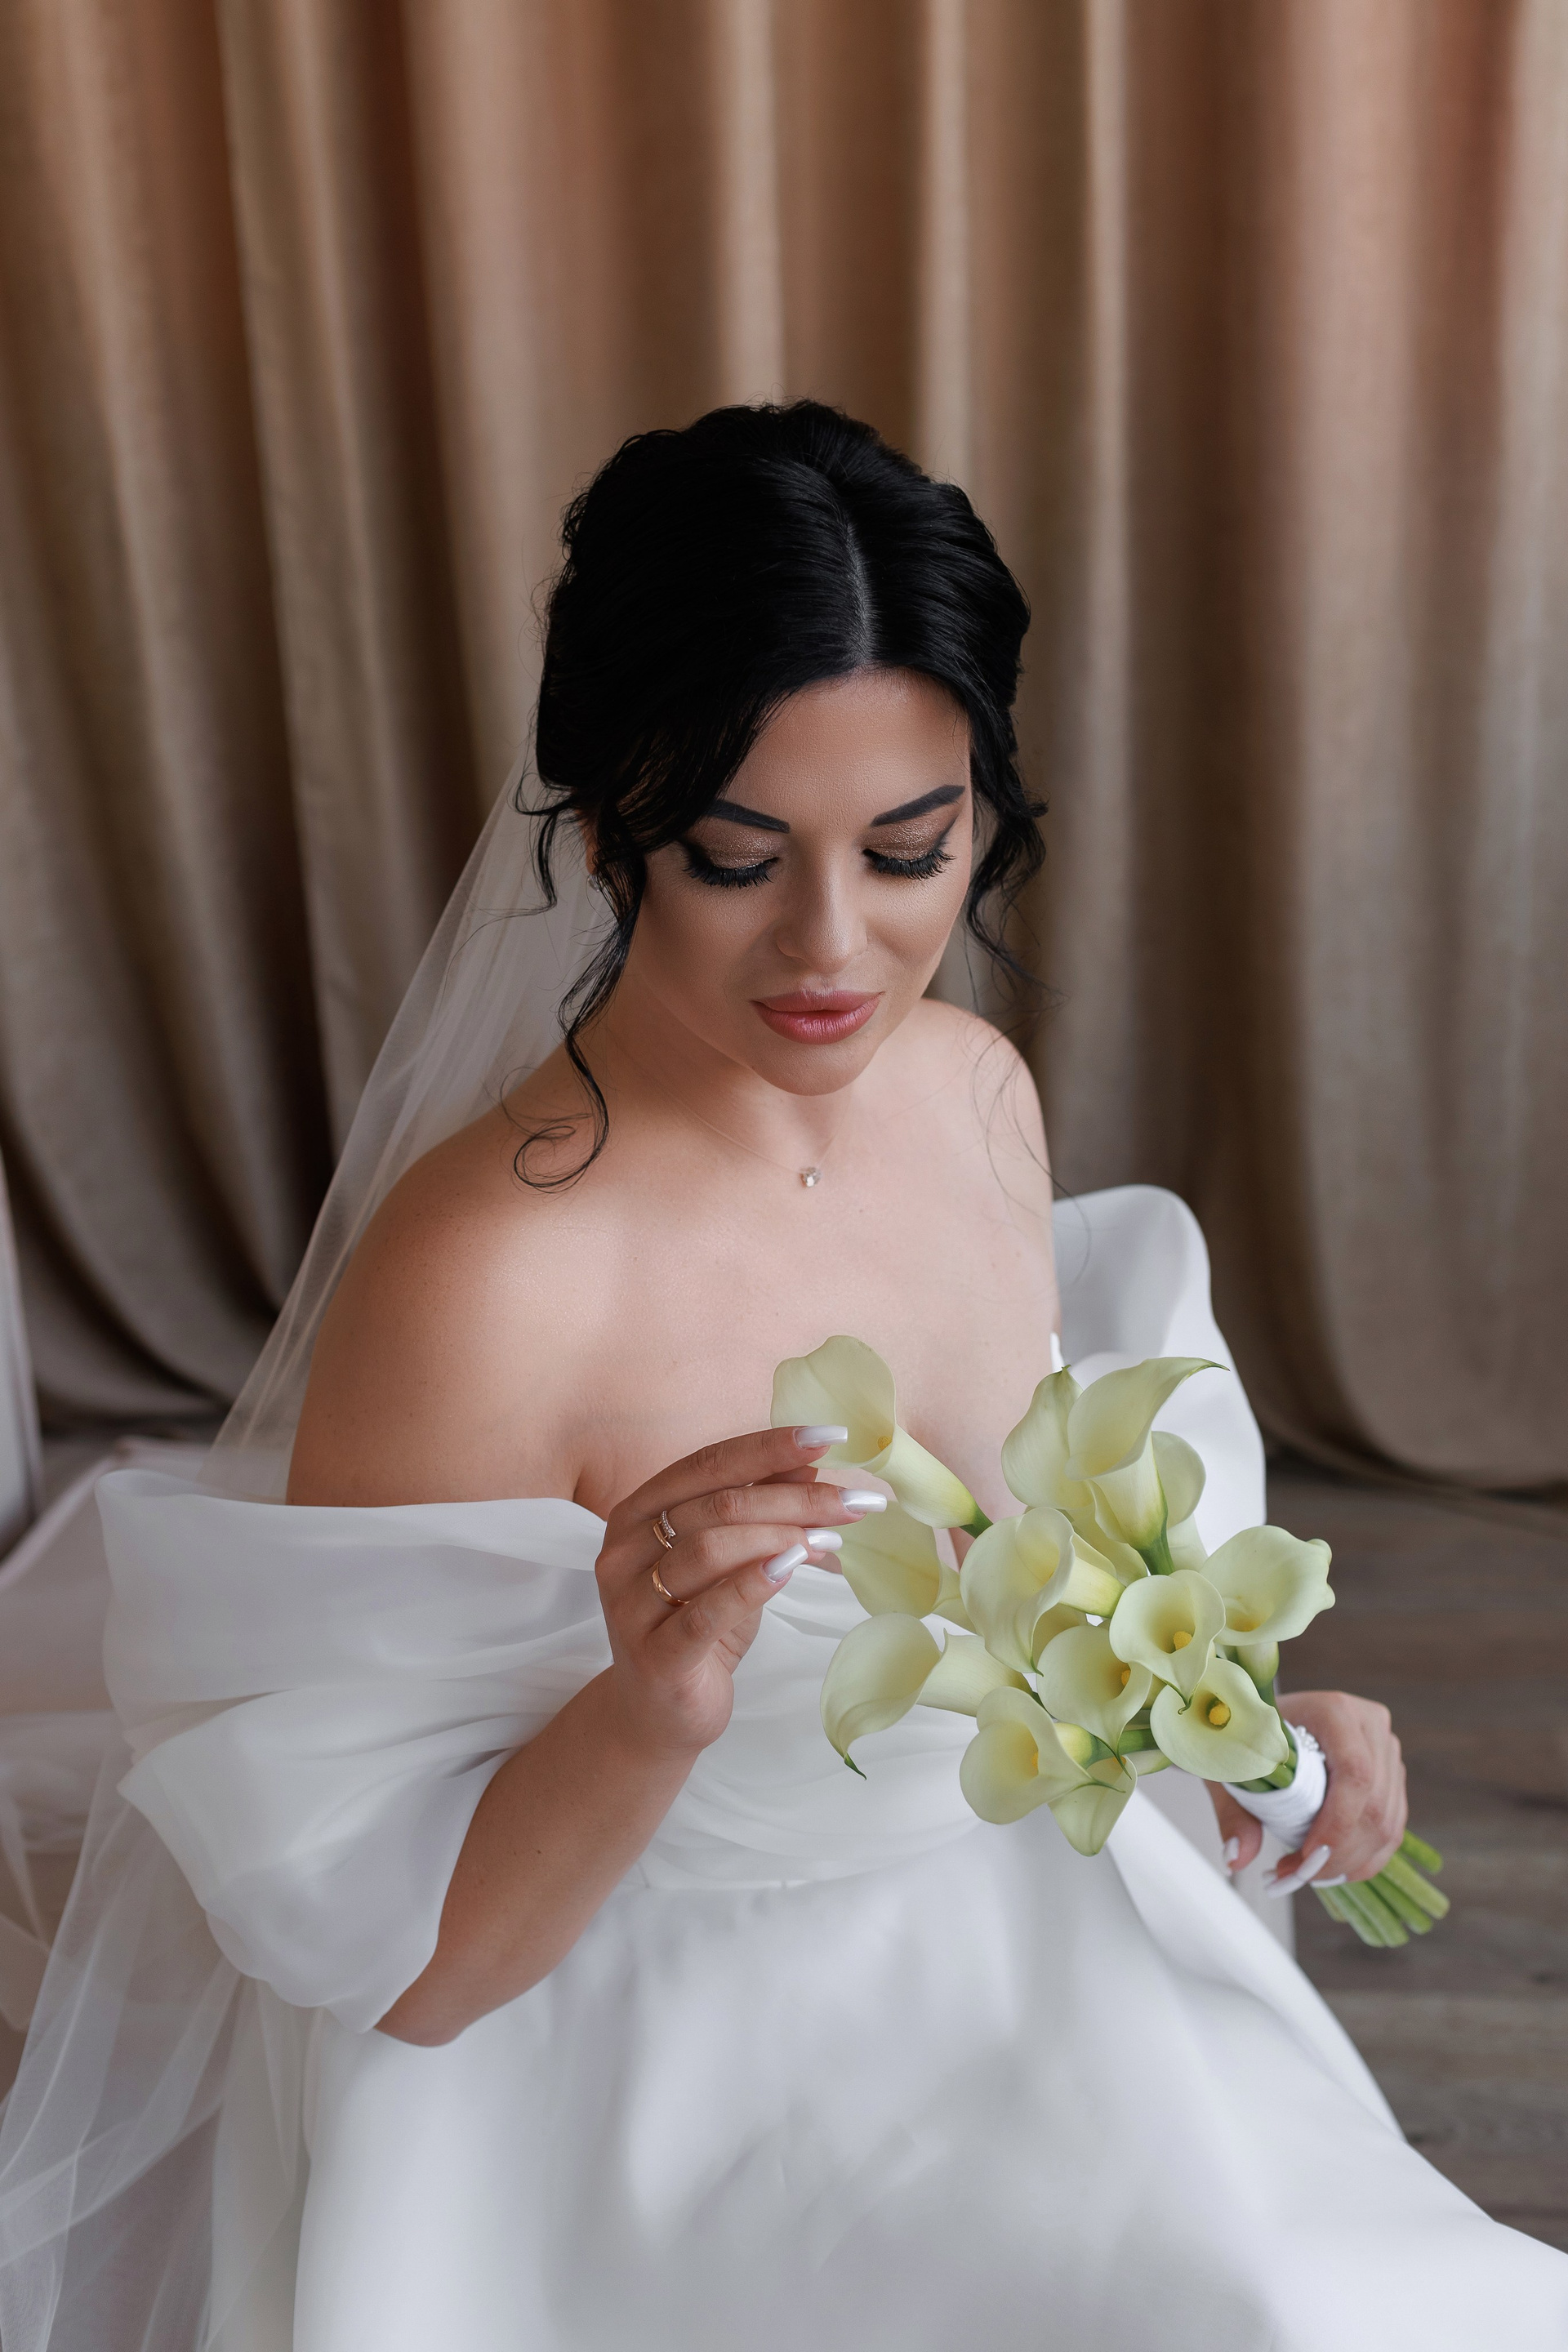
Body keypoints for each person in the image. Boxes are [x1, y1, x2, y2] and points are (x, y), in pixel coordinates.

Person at [2, 403, 1563, 2350]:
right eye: (736, 858)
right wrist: (650, 1706)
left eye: (912, 851)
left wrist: (1250, 1731)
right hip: (649, 2066)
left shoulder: (973, 1092)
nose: (835, 946)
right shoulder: (489, 1278)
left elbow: (1031, 1607)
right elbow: (415, 1972)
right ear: (605, 832)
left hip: (1033, 1970)